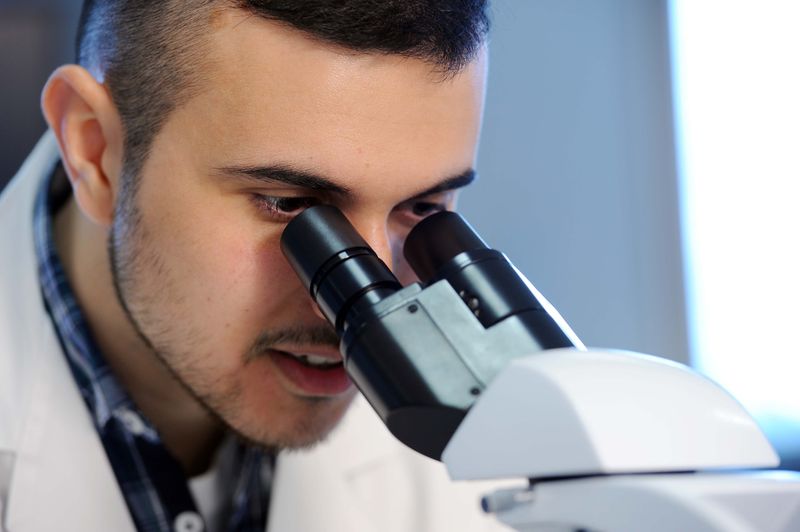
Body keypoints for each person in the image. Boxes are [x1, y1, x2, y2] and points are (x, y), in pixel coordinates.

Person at [0, 1, 512, 530]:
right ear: (95, 149)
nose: (375, 302)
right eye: (289, 203)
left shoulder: (480, 467)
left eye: (424, 208)